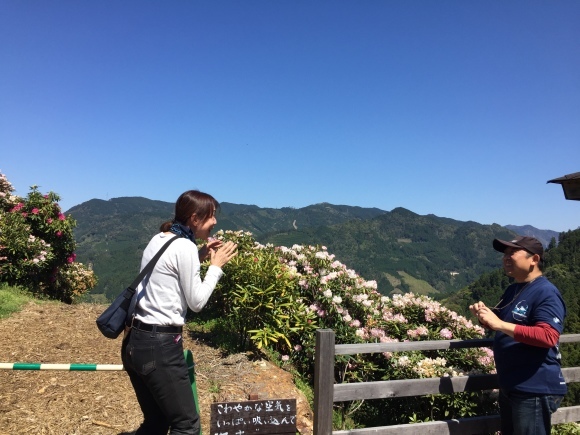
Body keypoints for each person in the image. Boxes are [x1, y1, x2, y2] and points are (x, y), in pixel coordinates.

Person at [121, 190, 237, 435]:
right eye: (211, 216)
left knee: (156, 423)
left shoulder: (161, 238)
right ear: (195, 219)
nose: (215, 221)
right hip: (160, 347)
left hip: (135, 343)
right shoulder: (183, 246)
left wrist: (201, 255)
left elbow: (168, 269)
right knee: (187, 426)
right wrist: (215, 267)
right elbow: (197, 302)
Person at [469, 236, 566, 435]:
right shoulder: (513, 289)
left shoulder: (546, 292)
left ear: (534, 259)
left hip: (534, 388)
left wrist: (500, 324)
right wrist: (484, 316)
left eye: (512, 253)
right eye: (504, 254)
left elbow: (548, 335)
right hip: (513, 385)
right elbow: (502, 323)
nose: (506, 258)